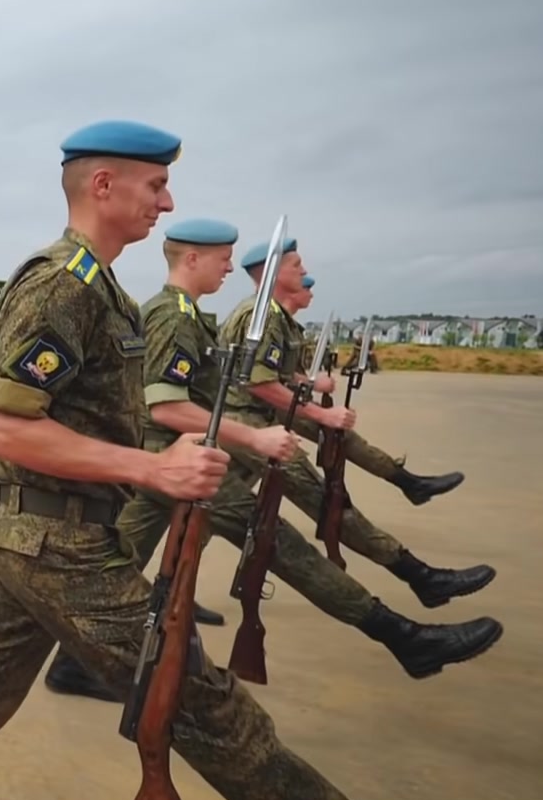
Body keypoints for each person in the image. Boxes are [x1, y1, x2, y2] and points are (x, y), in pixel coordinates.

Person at [0, 121, 543, 800]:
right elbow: (6, 428)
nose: (168, 199)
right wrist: (153, 467)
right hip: (53, 542)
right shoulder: (62, 283)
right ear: (103, 186)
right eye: (155, 185)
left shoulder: (105, 288)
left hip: (39, 532)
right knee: (214, 713)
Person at [45, 219, 501, 702]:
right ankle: (403, 636)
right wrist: (253, 438)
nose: (228, 268)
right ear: (193, 258)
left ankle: (73, 661)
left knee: (123, 554)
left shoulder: (188, 314)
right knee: (275, 542)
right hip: (173, 458)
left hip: (174, 456)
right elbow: (165, 405)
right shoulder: (173, 315)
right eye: (222, 258)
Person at [220, 239, 494, 610]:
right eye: (297, 265)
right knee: (328, 502)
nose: (304, 272)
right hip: (248, 420)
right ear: (274, 272)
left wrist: (311, 388)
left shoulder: (270, 315)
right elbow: (258, 383)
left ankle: (407, 485)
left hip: (260, 415)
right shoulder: (263, 315)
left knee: (201, 511)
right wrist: (320, 412)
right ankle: (419, 575)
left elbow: (276, 376)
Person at [295, 273, 464, 504]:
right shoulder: (269, 320)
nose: (311, 293)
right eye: (305, 288)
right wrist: (314, 390)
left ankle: (409, 483)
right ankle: (409, 486)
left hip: (281, 401)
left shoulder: (289, 325)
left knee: (341, 438)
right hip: (263, 405)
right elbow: (263, 376)